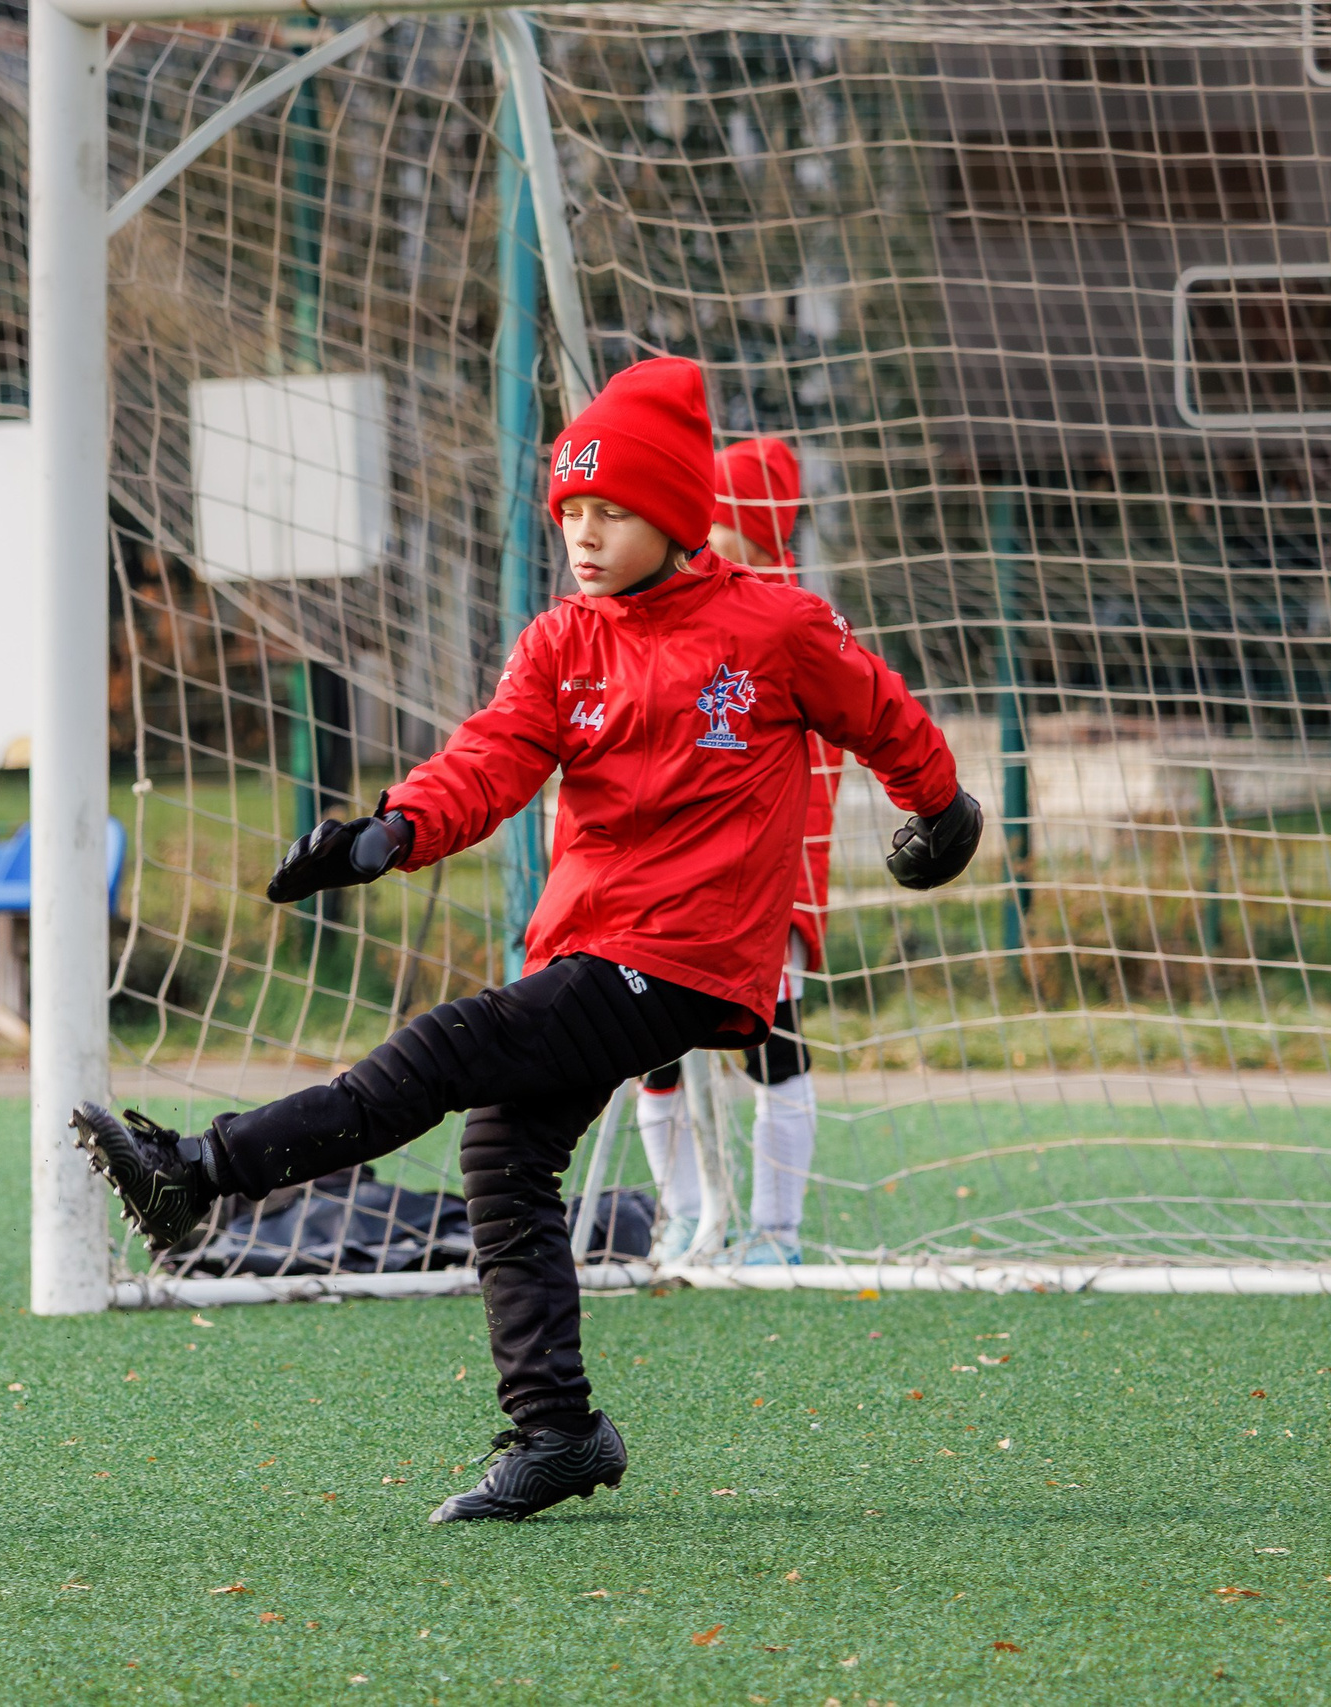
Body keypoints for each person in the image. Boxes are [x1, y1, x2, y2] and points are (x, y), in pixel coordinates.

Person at [72, 356, 983, 1523]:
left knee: (451, 1046)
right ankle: (557, 1432)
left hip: (691, 955)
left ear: (678, 515)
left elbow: (890, 719)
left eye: (613, 511)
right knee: (504, 1166)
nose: (586, 533)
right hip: (588, 949)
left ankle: (202, 1173)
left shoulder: (775, 627)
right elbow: (493, 757)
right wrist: (391, 832)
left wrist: (939, 810)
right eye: (572, 510)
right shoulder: (561, 642)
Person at [636, 435, 838, 1267]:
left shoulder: (790, 624)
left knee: (771, 1045)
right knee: (651, 1054)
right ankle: (685, 1215)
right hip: (666, 886)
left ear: (743, 526)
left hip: (762, 882)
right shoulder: (671, 608)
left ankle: (775, 1235)